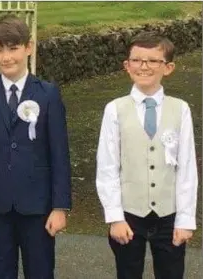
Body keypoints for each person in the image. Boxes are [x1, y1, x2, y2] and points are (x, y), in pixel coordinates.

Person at [0, 14, 72, 279]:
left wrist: (60, 207)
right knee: (0, 272)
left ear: (29, 47)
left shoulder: (48, 94)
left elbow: (59, 153)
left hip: (38, 206)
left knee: (40, 271)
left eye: (13, 49)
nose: (6, 57)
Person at [95, 32, 197, 279]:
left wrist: (185, 219)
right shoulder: (115, 109)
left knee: (171, 272)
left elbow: (186, 167)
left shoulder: (180, 109)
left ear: (168, 67)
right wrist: (115, 217)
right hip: (129, 214)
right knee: (128, 272)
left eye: (153, 61)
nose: (144, 66)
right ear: (127, 66)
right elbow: (108, 166)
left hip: (168, 215)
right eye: (138, 60)